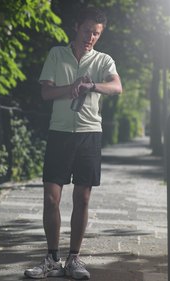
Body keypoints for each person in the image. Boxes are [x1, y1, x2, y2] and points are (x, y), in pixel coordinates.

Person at [24, 6, 122, 280]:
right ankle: (52, 259)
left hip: (90, 133)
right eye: (88, 30)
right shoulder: (57, 54)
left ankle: (74, 259)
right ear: (76, 27)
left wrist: (92, 86)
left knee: (82, 197)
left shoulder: (103, 60)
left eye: (96, 33)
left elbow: (117, 86)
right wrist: (72, 87)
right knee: (50, 197)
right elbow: (45, 93)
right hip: (60, 132)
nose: (91, 37)